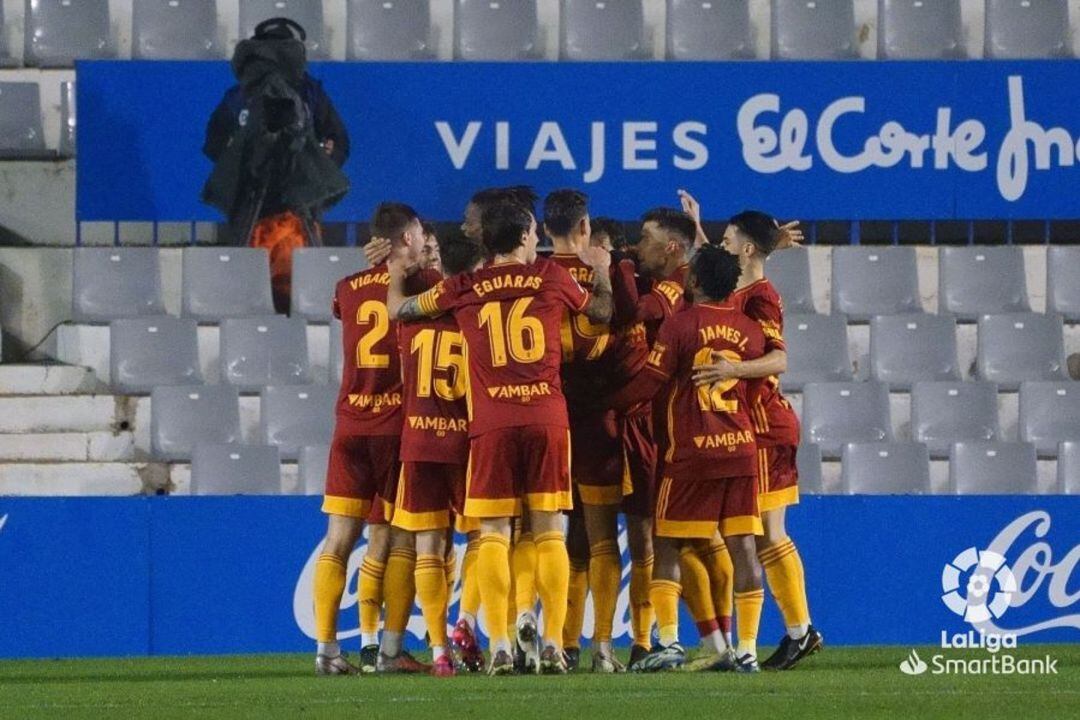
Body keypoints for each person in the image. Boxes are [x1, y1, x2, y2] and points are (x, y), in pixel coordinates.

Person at [387, 199, 613, 674]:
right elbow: (602, 314)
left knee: (491, 534)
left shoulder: (463, 286)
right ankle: (552, 642)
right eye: (532, 233)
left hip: (491, 425)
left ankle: (503, 644)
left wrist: (395, 274)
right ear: (524, 236)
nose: (536, 240)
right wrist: (603, 270)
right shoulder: (552, 277)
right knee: (549, 529)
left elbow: (402, 311)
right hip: (547, 419)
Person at [611, 244, 768, 674]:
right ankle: (748, 649)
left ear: (694, 282)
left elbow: (648, 383)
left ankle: (669, 641)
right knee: (744, 550)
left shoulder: (680, 326)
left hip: (691, 454)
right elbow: (754, 391)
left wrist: (604, 404)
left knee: (667, 544)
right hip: (740, 452)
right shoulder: (750, 331)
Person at [693, 210, 823, 670]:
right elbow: (712, 268)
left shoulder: (761, 297)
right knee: (759, 535)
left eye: (729, 239)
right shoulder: (741, 288)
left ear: (747, 250)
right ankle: (796, 631)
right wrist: (699, 230)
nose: (721, 245)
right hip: (753, 426)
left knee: (769, 533)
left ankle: (798, 631)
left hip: (767, 426)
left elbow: (777, 361)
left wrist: (732, 370)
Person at [311, 203, 425, 676]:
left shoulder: (345, 287)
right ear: (403, 238)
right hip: (395, 430)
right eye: (418, 234)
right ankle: (392, 651)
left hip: (350, 427)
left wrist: (371, 268)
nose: (423, 242)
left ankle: (326, 652)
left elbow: (344, 308)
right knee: (402, 540)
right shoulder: (423, 285)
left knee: (337, 541)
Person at [543, 189, 653, 672]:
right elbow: (630, 318)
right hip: (597, 419)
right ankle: (603, 647)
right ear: (585, 226)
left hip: (542, 415)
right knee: (603, 537)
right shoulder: (605, 274)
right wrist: (608, 268)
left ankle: (552, 643)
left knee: (542, 535)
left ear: (544, 230)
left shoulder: (534, 277)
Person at [203, 17, 350, 314]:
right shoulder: (310, 92)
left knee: (247, 295)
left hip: (249, 209)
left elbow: (214, 144)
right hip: (296, 208)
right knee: (301, 294)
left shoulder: (238, 96)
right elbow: (341, 141)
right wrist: (319, 159)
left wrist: (242, 165)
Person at [390, 234, 484, 678]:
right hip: (465, 444)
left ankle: (440, 650)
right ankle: (466, 620)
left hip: (419, 442)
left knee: (428, 545)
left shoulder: (411, 321)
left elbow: (396, 305)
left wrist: (394, 275)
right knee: (483, 537)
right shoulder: (478, 321)